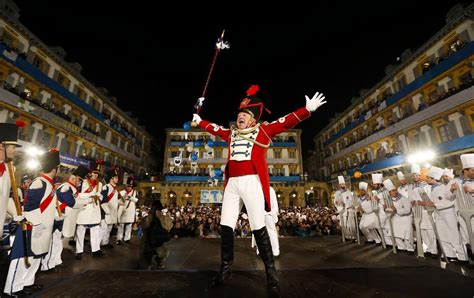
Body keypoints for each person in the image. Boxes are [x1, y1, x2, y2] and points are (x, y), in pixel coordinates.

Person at [192, 85, 326, 297]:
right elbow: (215, 129)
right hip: (232, 185)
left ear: (253, 119)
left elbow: (285, 121)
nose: (240, 117)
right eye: (239, 114)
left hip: (252, 182)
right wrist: (200, 122)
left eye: (245, 114)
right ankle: (225, 270)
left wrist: (307, 110)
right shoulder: (231, 133)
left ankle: (271, 274)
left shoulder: (263, 131)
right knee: (225, 226)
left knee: (258, 226)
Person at [4, 149, 60, 296]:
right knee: (22, 258)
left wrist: (55, 217)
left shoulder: (49, 184)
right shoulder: (39, 183)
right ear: (55, 169)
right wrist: (36, 223)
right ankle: (12, 289)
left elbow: (47, 207)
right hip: (31, 226)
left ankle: (27, 283)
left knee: (36, 257)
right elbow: (28, 208)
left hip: (43, 227)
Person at [427, 166, 467, 262]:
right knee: (442, 235)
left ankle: (463, 257)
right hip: (438, 214)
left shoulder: (442, 187)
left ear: (434, 179)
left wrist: (435, 204)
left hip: (448, 213)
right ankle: (450, 255)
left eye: (428, 178)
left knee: (454, 235)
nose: (427, 179)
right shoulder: (432, 189)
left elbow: (449, 202)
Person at [75, 161, 104, 259]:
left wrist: (100, 196)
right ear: (90, 173)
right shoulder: (83, 182)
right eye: (94, 172)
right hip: (84, 208)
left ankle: (96, 250)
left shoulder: (100, 184)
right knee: (80, 230)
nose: (96, 175)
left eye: (97, 173)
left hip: (95, 209)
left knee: (95, 230)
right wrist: (90, 194)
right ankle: (79, 251)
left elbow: (101, 197)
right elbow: (77, 195)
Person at [408, 164, 436, 256]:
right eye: (413, 175)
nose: (415, 177)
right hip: (416, 211)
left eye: (417, 175)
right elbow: (410, 198)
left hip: (426, 210)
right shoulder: (410, 186)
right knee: (422, 231)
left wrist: (424, 203)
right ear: (412, 176)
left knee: (430, 230)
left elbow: (429, 197)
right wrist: (411, 203)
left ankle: (434, 250)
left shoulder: (426, 185)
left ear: (420, 176)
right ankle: (428, 249)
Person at [138, 199, 173, 270]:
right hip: (147, 242)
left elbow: (168, 227)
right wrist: (149, 217)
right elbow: (144, 226)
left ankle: (160, 260)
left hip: (159, 242)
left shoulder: (163, 217)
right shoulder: (148, 217)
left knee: (163, 252)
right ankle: (146, 260)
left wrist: (161, 217)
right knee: (145, 265)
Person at [383, 178, 414, 253]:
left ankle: (410, 248)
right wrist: (385, 209)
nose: (395, 192)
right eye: (392, 191)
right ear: (389, 193)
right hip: (395, 218)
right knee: (393, 233)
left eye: (395, 190)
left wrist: (396, 210)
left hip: (406, 218)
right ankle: (401, 247)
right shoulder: (388, 200)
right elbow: (389, 212)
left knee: (407, 235)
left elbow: (408, 210)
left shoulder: (404, 198)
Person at [251, 186, 280, 256]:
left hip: (266, 214)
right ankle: (272, 251)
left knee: (264, 232)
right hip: (263, 214)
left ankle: (273, 251)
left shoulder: (265, 189)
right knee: (265, 232)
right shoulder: (270, 189)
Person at [100, 168, 120, 248]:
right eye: (116, 178)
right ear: (112, 179)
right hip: (106, 211)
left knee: (109, 228)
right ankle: (98, 244)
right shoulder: (106, 187)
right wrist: (107, 211)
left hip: (113, 212)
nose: (118, 179)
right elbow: (103, 199)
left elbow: (116, 201)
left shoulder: (115, 189)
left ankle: (105, 242)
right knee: (103, 228)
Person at [117, 177, 139, 245]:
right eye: (128, 186)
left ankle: (127, 238)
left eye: (130, 186)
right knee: (121, 226)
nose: (129, 188)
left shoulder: (135, 192)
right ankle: (119, 239)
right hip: (122, 210)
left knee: (129, 226)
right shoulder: (121, 192)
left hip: (130, 211)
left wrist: (130, 197)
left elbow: (137, 200)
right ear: (126, 186)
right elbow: (117, 201)